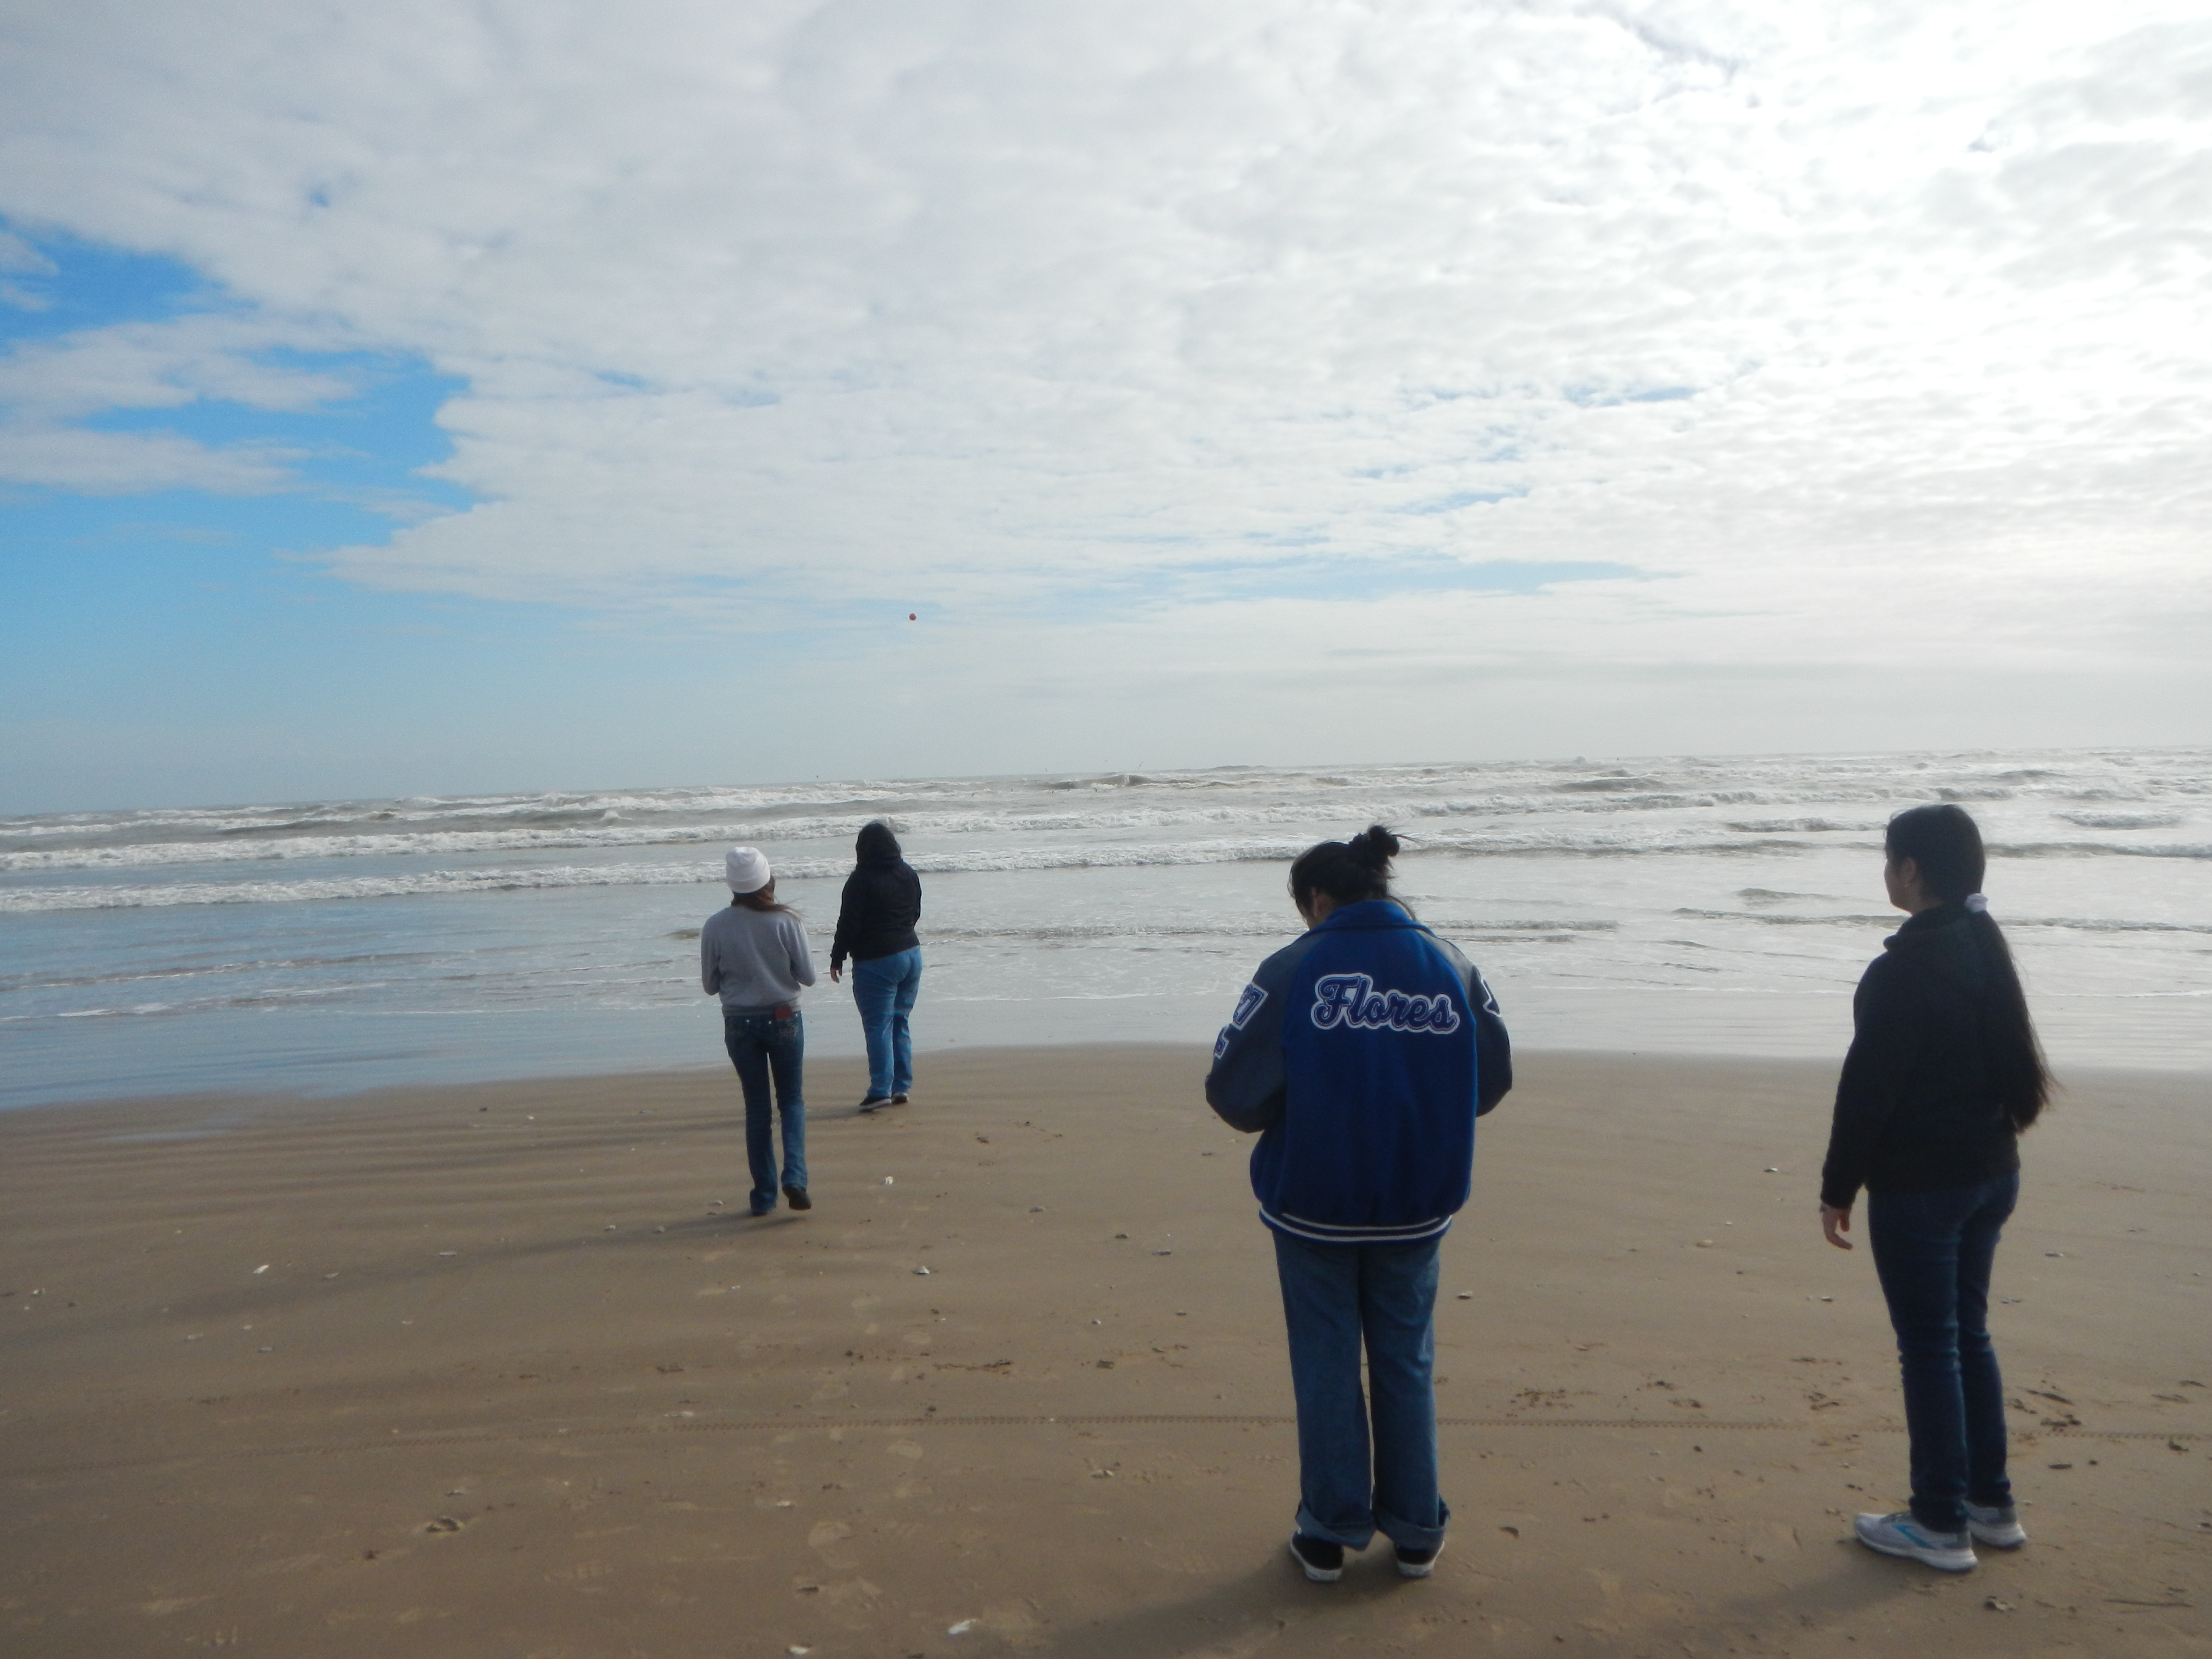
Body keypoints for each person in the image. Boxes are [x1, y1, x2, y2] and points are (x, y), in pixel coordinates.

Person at [1205, 825, 1511, 1585]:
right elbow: (1491, 1078)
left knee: (1327, 1360)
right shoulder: (1451, 963)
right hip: (1416, 1197)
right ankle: (1415, 1530)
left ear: (1317, 900)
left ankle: (1329, 1530)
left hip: (1314, 1203)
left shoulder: (1293, 968)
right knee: (1406, 1358)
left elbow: (1234, 1090)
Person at [1820, 804, 2050, 1573]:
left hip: (1924, 1187)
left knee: (1930, 1348)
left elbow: (1867, 1092)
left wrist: (1837, 1187)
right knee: (1965, 1337)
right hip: (1991, 1173)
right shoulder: (1982, 946)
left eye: (1890, 860)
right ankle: (1991, 1505)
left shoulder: (1904, 970)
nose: (1886, 873)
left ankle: (1940, 1520)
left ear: (1912, 871)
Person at [701, 846, 817, 1216]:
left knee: (757, 1109)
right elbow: (808, 976)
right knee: (792, 1100)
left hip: (739, 1022)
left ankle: (764, 1196)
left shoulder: (715, 926)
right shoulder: (787, 922)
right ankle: (795, 1176)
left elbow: (709, 985)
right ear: (769, 880)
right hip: (784, 1017)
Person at [829, 821, 924, 1113]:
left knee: (878, 1025)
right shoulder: (908, 873)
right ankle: (901, 1086)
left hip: (877, 960)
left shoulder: (860, 880)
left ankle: (881, 1089)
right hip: (911, 953)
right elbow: (916, 910)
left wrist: (837, 957)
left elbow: (848, 922)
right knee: (900, 1020)